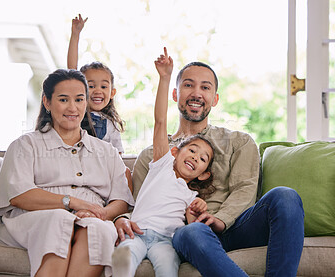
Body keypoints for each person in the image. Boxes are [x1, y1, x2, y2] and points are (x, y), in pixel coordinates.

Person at [114, 59, 305, 276]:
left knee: (285, 197)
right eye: (188, 85)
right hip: (187, 235)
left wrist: (220, 219)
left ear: (214, 99)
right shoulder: (155, 156)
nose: (196, 93)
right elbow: (140, 204)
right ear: (175, 94)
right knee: (193, 231)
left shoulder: (238, 141)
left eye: (205, 87)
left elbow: (245, 190)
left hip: (234, 229)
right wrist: (120, 219)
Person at [0, 69, 135, 277]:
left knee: (101, 229)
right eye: (63, 100)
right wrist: (74, 203)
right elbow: (19, 195)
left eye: (79, 99)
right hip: (36, 218)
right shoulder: (26, 145)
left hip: (91, 217)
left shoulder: (107, 152)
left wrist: (100, 213)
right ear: (47, 102)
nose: (72, 107)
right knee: (59, 219)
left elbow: (121, 199)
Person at [112, 48, 215, 277]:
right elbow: (160, 122)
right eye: (192, 151)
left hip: (166, 242)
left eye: (202, 160)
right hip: (136, 233)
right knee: (120, 261)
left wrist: (198, 211)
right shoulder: (161, 165)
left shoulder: (192, 197)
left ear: (203, 174)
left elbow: (190, 226)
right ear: (175, 152)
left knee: (169, 269)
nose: (194, 158)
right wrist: (165, 78)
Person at [67, 14, 124, 154]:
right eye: (91, 86)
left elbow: (119, 156)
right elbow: (71, 71)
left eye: (103, 87)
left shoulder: (111, 125)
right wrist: (75, 35)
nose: (98, 91)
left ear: (112, 93)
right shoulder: (75, 115)